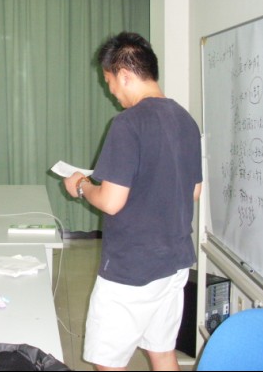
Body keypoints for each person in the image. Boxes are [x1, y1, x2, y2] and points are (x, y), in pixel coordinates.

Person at [63, 32, 202, 371]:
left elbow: (111, 202)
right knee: (163, 351)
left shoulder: (127, 123)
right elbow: (194, 191)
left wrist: (81, 186)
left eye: (109, 82)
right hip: (174, 262)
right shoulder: (185, 119)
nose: (111, 91)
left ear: (124, 75)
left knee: (108, 362)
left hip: (132, 268)